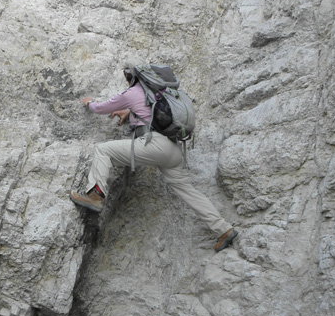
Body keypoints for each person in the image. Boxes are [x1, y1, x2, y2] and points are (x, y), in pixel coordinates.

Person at [70, 66, 239, 252]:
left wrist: (89, 102)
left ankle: (95, 194)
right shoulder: (161, 93)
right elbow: (151, 114)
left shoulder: (133, 91)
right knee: (188, 191)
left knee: (103, 150)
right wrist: (130, 113)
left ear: (130, 76)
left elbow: (100, 108)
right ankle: (224, 229)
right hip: (174, 150)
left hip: (155, 144)